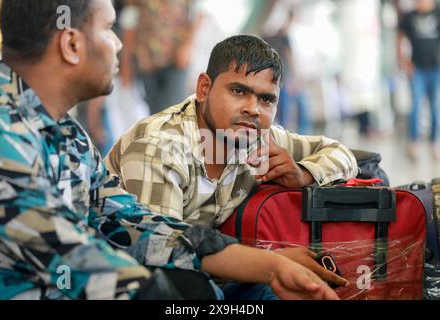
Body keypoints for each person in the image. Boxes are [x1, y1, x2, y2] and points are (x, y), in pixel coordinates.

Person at [0, 0, 341, 300]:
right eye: (110, 29)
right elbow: (71, 258)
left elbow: (136, 225)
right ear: (71, 44)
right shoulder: (0, 133)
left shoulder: (68, 136)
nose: (118, 45)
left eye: (265, 99)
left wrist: (272, 266)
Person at [105, 35, 358, 299]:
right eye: (238, 91)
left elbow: (342, 154)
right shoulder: (160, 146)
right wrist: (270, 263)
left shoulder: (258, 139)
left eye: (266, 100)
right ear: (204, 88)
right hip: (128, 282)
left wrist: (302, 174)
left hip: (209, 273)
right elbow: (162, 255)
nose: (253, 109)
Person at [119, 0, 203, 115]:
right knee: (154, 113)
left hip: (176, 61)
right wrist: (126, 61)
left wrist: (187, 45)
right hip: (147, 62)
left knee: (175, 110)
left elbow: (199, 11)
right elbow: (130, 19)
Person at [398, 0, 440, 160]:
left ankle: (433, 144)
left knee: (435, 107)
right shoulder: (409, 17)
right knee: (415, 106)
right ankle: (414, 144)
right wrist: (403, 61)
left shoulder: (438, 12)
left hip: (435, 69)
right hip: (417, 70)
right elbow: (399, 38)